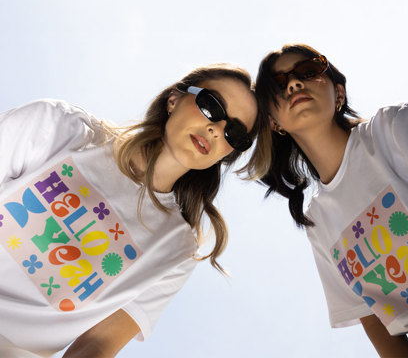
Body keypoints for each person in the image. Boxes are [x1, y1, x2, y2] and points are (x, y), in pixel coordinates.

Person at [0, 64, 259, 358]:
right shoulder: (60, 127)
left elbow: (96, 345)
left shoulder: (177, 249)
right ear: (174, 99)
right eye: (211, 106)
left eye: (234, 133)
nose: (217, 129)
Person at [248, 43, 408, 357]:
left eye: (308, 71)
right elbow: (373, 319)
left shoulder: (394, 127)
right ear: (273, 121)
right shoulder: (317, 221)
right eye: (278, 84)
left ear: (339, 93)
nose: (294, 84)